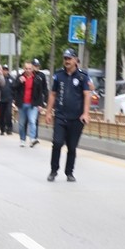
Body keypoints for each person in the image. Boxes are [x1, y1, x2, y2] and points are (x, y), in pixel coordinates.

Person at [45, 49, 91, 182]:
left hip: (76, 118)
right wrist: (48, 112)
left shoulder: (82, 76)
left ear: (76, 60)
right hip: (60, 116)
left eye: (69, 58)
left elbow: (87, 94)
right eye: (65, 58)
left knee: (72, 146)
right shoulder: (58, 75)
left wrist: (86, 113)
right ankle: (54, 170)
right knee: (57, 143)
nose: (67, 61)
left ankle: (69, 172)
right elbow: (53, 94)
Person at [16, 58, 49, 147]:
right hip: (22, 104)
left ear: (32, 69)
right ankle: (22, 139)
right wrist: (19, 81)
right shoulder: (20, 77)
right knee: (22, 123)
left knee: (32, 121)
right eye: (26, 68)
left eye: (30, 68)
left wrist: (42, 104)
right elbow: (14, 88)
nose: (28, 70)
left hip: (33, 104)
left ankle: (32, 138)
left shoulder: (37, 78)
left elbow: (41, 92)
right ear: (24, 68)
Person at [0, 64, 15, 135]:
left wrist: (14, 98)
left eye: (6, 70)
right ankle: (2, 129)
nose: (5, 71)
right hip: (0, 99)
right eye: (4, 69)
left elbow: (14, 88)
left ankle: (9, 128)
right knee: (1, 115)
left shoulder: (11, 79)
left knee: (8, 114)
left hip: (9, 99)